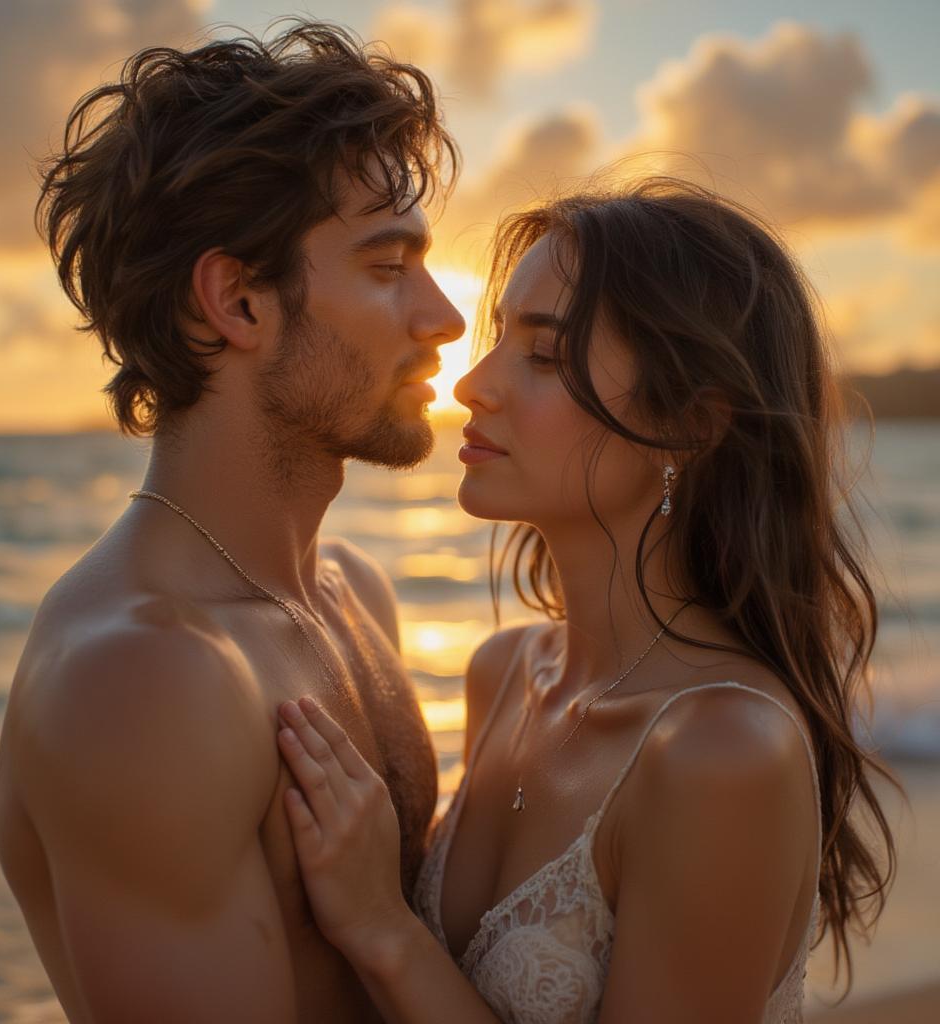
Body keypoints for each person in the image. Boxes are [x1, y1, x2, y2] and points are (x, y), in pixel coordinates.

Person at [274, 177, 899, 1023]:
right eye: (497, 340)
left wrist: (384, 930)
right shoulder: (504, 676)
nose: (474, 386)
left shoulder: (723, 751)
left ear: (690, 424)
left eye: (543, 356)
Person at [0, 20, 464, 1023]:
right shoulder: (145, 678)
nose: (444, 319)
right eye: (388, 268)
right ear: (237, 302)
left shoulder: (352, 593)